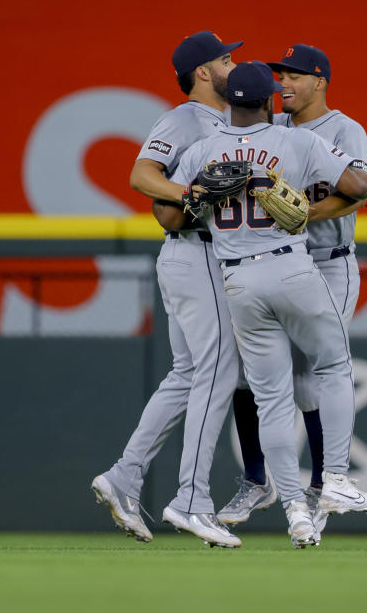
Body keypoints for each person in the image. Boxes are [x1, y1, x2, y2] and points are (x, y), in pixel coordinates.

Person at [170, 61, 367, 548]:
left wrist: (199, 192)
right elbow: (356, 186)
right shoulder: (295, 140)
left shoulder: (205, 149)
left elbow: (169, 214)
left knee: (270, 399)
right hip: (292, 264)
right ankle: (333, 481)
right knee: (333, 366)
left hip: (237, 280)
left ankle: (295, 513)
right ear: (269, 101)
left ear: (229, 102)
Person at [90, 31, 247, 548]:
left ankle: (125, 475)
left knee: (188, 373)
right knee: (219, 367)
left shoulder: (226, 121)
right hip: (195, 249)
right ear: (203, 72)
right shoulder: (184, 117)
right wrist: (192, 191)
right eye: (226, 59)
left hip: (202, 253)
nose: (234, 64)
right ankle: (193, 499)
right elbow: (141, 174)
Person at [217, 45, 367, 536]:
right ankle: (257, 478)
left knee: (311, 376)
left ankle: (325, 482)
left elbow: (359, 189)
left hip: (329, 263)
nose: (284, 83)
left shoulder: (345, 130)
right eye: (280, 76)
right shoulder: (275, 130)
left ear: (320, 80)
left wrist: (308, 213)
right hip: (278, 265)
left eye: (295, 76)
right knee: (251, 377)